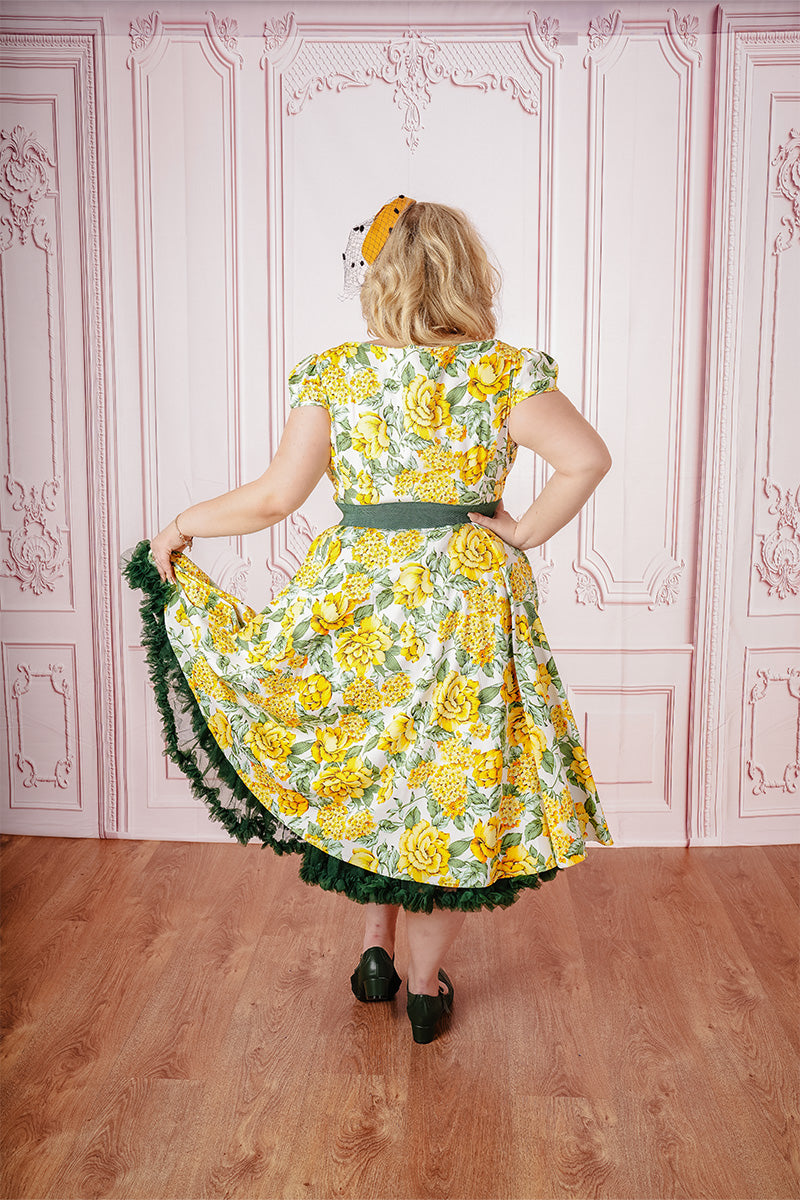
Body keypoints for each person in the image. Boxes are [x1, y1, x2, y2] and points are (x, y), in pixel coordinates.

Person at [122, 196, 615, 1045]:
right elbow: (587, 460)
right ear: (465, 272)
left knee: (375, 777)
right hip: (464, 607)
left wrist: (181, 525)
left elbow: (275, 498)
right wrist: (523, 531)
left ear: (380, 278)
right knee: (441, 795)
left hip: (360, 603)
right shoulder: (501, 372)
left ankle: (376, 955)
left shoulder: (338, 374)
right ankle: (424, 989)